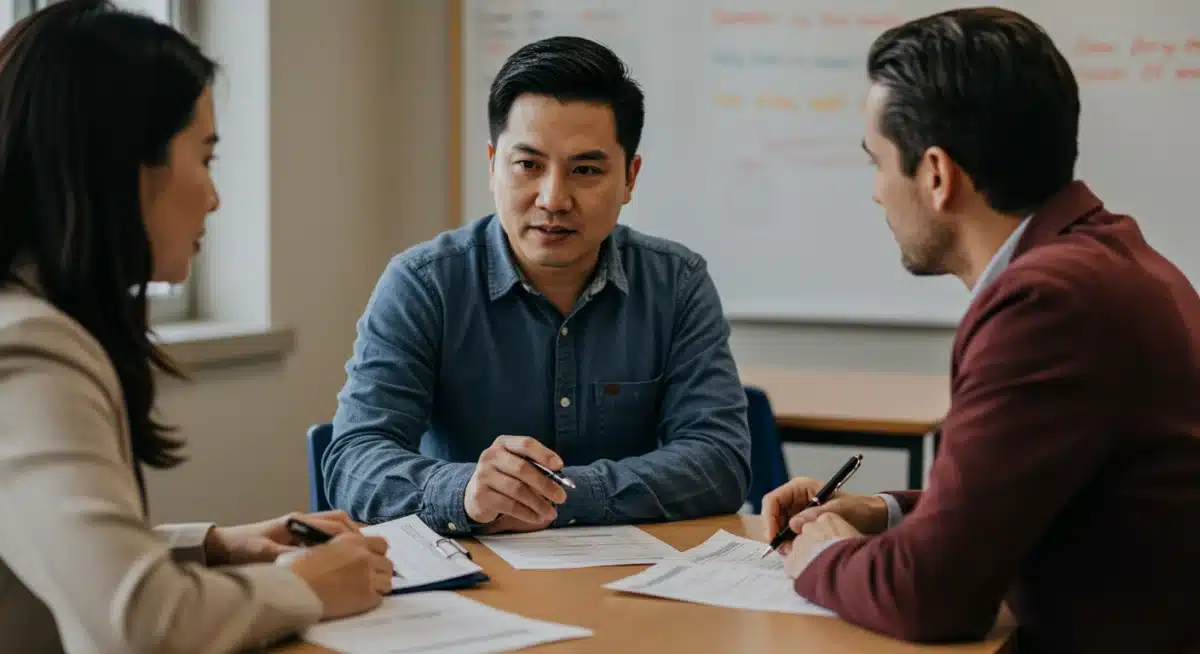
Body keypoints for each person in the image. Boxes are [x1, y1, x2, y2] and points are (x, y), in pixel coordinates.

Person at [762, 7, 1200, 653]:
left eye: (877, 163)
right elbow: (1030, 494)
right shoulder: (1108, 253)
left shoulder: (1045, 302)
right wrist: (885, 513)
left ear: (937, 175)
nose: (877, 192)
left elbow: (933, 596)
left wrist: (821, 558)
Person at [0, 2, 394, 652]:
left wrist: (211, 546)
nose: (213, 196)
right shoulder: (29, 349)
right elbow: (140, 625)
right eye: (204, 158)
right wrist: (308, 587)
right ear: (125, 164)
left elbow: (47, 547)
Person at [324, 35, 750, 536]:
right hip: (473, 583)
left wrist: (560, 493)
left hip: (636, 581)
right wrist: (464, 492)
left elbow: (720, 459)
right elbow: (353, 459)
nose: (553, 198)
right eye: (528, 165)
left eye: (586, 170)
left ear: (630, 178)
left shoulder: (677, 283)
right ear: (492, 166)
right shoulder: (424, 284)